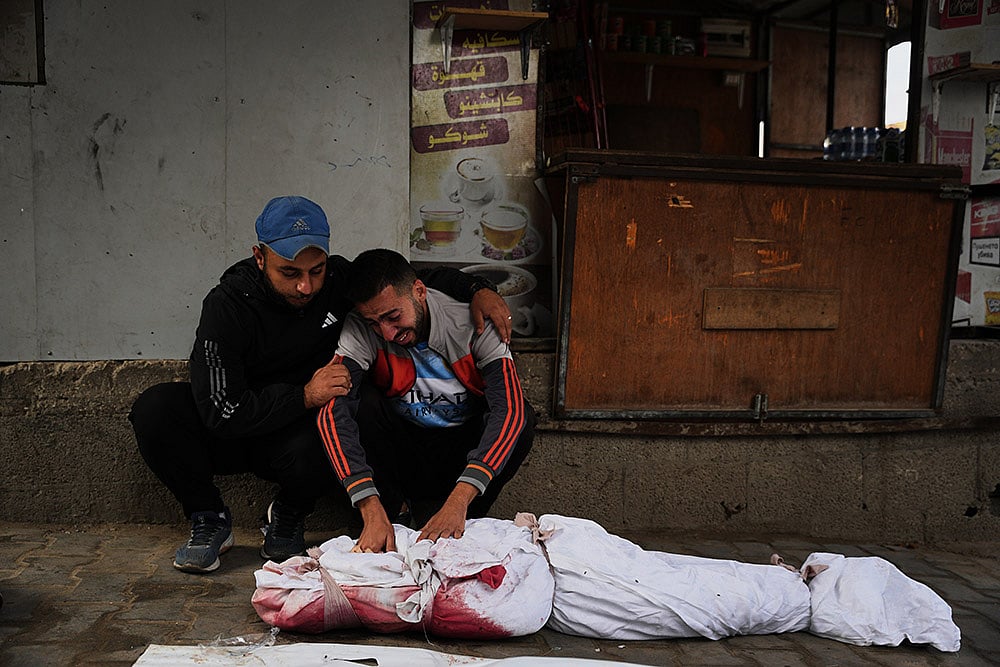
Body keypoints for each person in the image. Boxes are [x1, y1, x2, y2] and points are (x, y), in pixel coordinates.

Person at [129, 196, 511, 573]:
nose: (306, 287)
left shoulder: (338, 281)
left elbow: (407, 282)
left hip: (298, 439)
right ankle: (208, 516)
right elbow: (220, 411)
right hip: (236, 426)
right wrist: (303, 395)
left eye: (316, 271)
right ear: (260, 258)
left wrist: (479, 289)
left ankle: (289, 513)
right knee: (155, 409)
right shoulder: (227, 305)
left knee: (342, 415)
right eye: (290, 273)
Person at [317, 248, 535, 554]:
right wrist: (368, 504)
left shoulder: (474, 320)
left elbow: (510, 411)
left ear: (420, 291)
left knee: (523, 418)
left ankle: (464, 517)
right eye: (375, 324)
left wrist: (459, 500)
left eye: (393, 316)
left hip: (461, 452)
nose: (388, 333)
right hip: (404, 451)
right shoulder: (360, 326)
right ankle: (391, 516)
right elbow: (332, 414)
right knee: (353, 399)